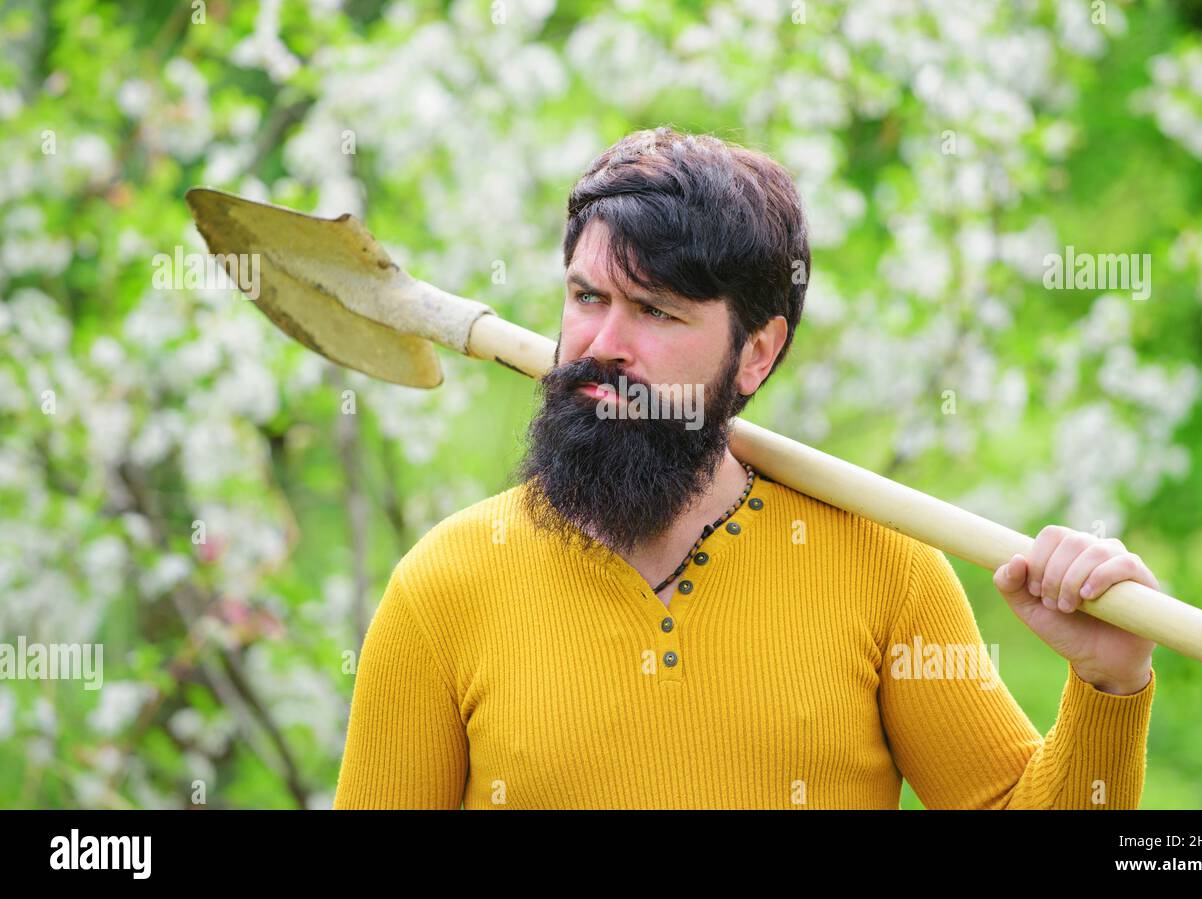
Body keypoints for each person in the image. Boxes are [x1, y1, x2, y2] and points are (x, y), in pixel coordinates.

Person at [334, 126, 1157, 809]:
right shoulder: (442, 588)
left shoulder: (885, 568)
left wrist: (1108, 683)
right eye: (588, 298)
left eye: (656, 311)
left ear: (755, 353)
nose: (603, 344)